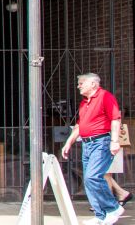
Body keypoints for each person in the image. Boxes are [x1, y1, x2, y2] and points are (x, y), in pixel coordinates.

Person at [62, 73, 124, 225]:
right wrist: (68, 142)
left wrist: (115, 141)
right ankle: (100, 215)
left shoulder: (105, 96)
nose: (79, 86)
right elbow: (79, 125)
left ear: (93, 84)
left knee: (92, 177)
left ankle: (113, 208)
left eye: (82, 83)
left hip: (101, 142)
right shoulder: (84, 103)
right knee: (88, 180)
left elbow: (115, 119)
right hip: (87, 143)